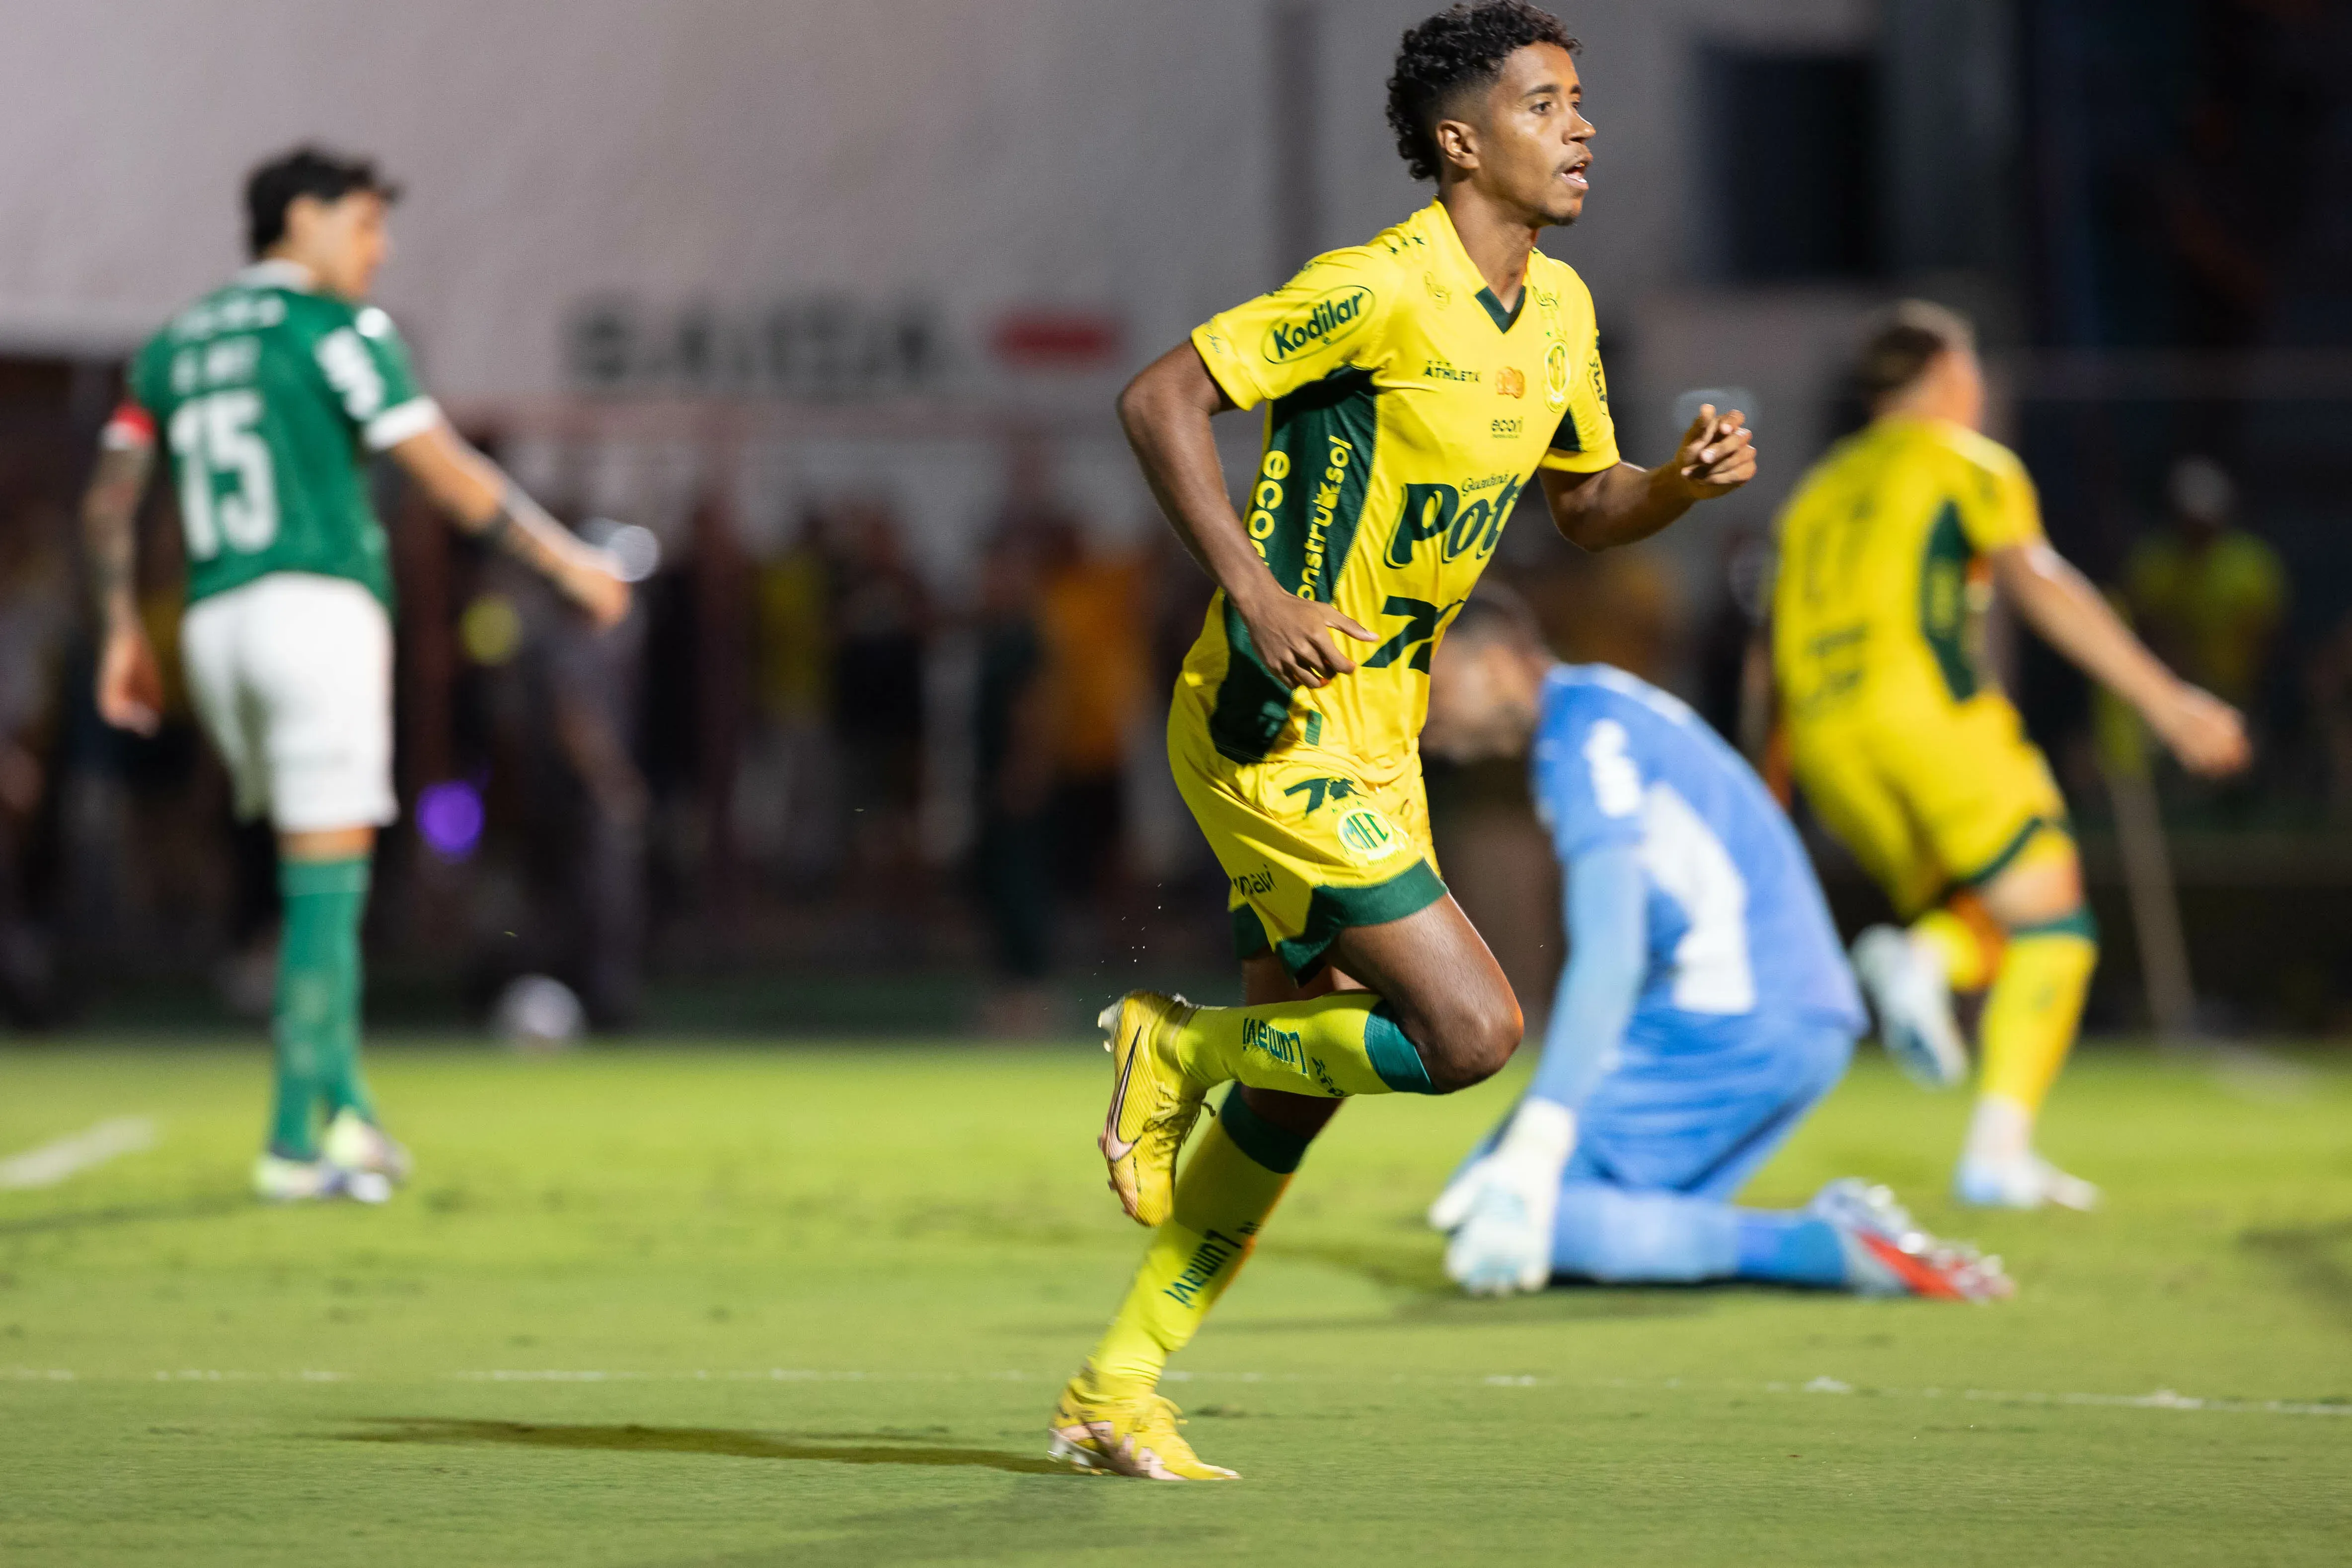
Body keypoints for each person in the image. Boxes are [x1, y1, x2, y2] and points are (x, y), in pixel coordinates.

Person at [1053, 2, 1757, 1480]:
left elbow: (1580, 502)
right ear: (1460, 142)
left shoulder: (1555, 312)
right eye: (1545, 103)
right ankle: (1164, 1043)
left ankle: (1114, 1388)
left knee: (1297, 1095)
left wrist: (1673, 490)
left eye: (1580, 102)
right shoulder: (1374, 287)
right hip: (1272, 712)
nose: (1579, 127)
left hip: (1382, 732)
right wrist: (1252, 589)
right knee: (1471, 1034)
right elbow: (1157, 395)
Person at [80, 146, 628, 1202]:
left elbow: (111, 497)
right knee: (325, 890)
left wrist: (117, 628)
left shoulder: (178, 338)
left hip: (216, 624)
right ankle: (296, 1142)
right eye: (365, 223)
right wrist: (571, 565)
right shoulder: (341, 332)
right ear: (302, 219)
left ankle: (353, 1111)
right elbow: (444, 473)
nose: (380, 249)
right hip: (315, 612)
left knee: (306, 870)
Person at [1770, 301, 2249, 1211]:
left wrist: (1771, 788)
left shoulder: (1814, 493)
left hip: (1832, 749)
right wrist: (2166, 701)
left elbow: (1768, 654)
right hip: (1928, 721)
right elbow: (2038, 579)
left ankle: (1925, 961)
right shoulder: (1963, 461)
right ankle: (1993, 1145)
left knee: (1984, 922)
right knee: (2055, 927)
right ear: (1952, 375)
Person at [1417, 593, 2009, 1301]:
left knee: (1531, 1215)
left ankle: (1833, 1247)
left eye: (1436, 687)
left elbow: (1611, 952)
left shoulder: (1585, 738)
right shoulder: (1598, 710)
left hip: (1735, 1019)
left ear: (1498, 663)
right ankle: (1811, 1234)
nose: (1423, 719)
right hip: (1769, 1010)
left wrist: (1543, 1131)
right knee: (1494, 1201)